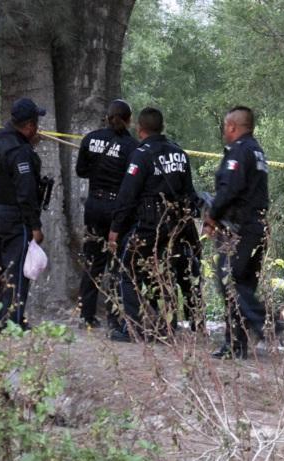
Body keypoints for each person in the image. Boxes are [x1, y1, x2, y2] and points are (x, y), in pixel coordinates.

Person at [107, 107, 198, 343]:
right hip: (176, 226)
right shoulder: (179, 154)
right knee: (163, 273)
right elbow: (189, 193)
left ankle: (134, 328)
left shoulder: (141, 154)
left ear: (140, 129)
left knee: (127, 273)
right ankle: (167, 326)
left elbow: (127, 195)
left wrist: (115, 228)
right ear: (162, 126)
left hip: (148, 225)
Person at [203, 106, 269, 360]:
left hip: (240, 229)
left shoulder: (240, 152)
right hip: (255, 227)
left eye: (225, 127)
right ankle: (236, 343)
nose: (224, 131)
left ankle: (265, 323)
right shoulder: (256, 150)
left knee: (229, 280)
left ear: (232, 126)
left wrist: (212, 215)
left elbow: (229, 190)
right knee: (241, 283)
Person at [0, 98, 47, 329]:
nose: (37, 128)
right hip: (12, 215)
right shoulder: (20, 152)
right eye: (36, 123)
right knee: (17, 269)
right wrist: (35, 227)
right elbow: (26, 193)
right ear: (29, 125)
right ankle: (13, 322)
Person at [75, 99, 138, 329]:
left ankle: (87, 315)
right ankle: (115, 317)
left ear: (106, 117)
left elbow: (81, 170)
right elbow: (132, 182)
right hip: (116, 209)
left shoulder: (90, 139)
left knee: (93, 261)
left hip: (93, 205)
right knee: (118, 264)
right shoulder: (132, 147)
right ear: (129, 120)